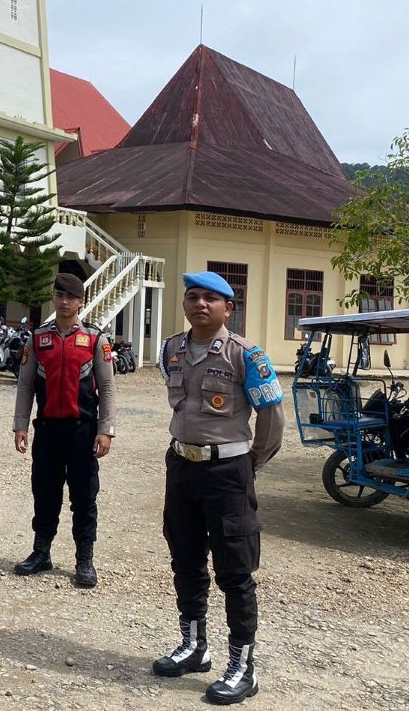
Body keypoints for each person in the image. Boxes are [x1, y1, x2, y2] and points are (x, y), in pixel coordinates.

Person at [152, 271, 285, 705]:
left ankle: (242, 667)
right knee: (186, 561)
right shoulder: (171, 348)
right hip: (182, 466)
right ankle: (194, 647)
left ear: (229, 308)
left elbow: (272, 418)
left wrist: (249, 463)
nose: (200, 304)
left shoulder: (248, 355)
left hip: (228, 472)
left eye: (212, 298)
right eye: (192, 297)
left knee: (234, 571)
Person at [12, 272, 115, 588]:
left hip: (83, 431)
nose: (65, 301)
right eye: (60, 295)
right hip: (47, 430)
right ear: (54, 298)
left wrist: (106, 429)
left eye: (71, 297)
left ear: (81, 301)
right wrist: (20, 426)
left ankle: (85, 560)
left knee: (84, 496)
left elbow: (108, 386)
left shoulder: (96, 340)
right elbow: (26, 384)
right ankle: (41, 552)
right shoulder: (37, 338)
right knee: (45, 491)